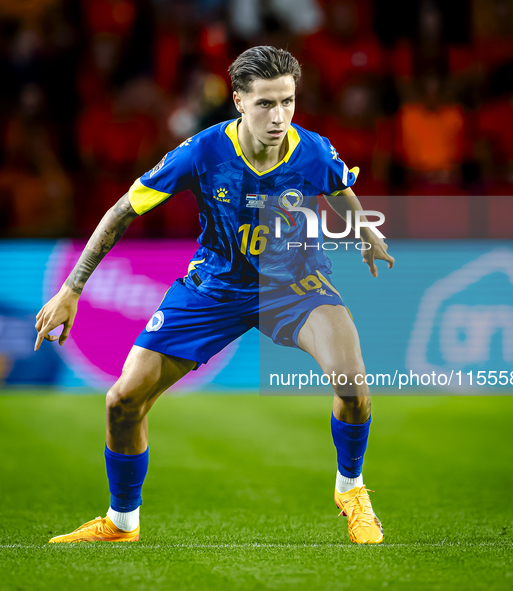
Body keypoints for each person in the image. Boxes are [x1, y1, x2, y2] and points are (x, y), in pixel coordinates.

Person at [35, 46, 394, 545]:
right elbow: (121, 211)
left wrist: (365, 234)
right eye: (266, 103)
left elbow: (338, 187)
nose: (280, 116)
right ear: (239, 102)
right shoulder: (202, 152)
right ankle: (122, 523)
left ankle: (352, 491)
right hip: (215, 290)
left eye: (288, 102)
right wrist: (72, 289)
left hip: (295, 286)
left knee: (353, 385)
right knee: (122, 401)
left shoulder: (311, 149)